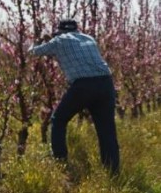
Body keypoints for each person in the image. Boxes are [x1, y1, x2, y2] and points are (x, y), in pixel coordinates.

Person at [29, 18, 120, 175]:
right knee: (107, 130)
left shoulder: (59, 40)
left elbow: (33, 52)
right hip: (106, 84)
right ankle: (113, 172)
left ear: (60, 31)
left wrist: (37, 39)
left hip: (83, 86)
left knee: (58, 120)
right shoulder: (89, 38)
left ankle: (60, 163)